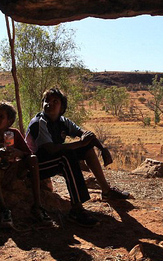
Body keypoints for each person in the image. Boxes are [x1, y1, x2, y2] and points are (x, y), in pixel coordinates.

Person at [26, 88, 131, 227]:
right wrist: (80, 143)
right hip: (35, 166)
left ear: (62, 107)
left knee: (85, 148)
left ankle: (106, 191)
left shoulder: (62, 121)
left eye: (54, 101)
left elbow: (86, 135)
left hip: (53, 160)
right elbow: (50, 149)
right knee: (67, 156)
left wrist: (102, 148)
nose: (49, 104)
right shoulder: (39, 122)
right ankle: (76, 209)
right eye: (46, 101)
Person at [0, 101, 52, 229]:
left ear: (9, 122)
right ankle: (4, 210)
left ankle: (37, 207)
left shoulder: (14, 134)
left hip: (13, 170)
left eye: (1, 117)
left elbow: (28, 155)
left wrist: (18, 153)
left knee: (33, 159)